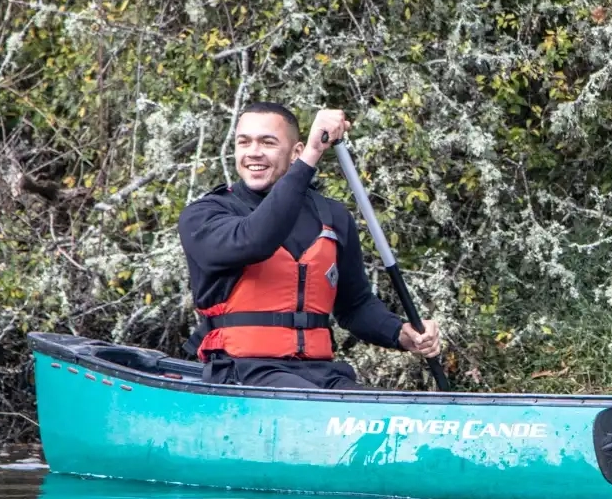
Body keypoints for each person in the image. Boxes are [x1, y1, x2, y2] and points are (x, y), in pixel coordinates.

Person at [178, 102, 441, 388]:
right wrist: (314, 155)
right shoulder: (205, 214)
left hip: (320, 373)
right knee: (321, 407)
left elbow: (355, 305)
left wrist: (400, 332)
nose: (254, 152)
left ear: (295, 153)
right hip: (241, 371)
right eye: (244, 142)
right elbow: (254, 240)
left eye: (268, 142)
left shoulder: (332, 217)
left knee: (371, 413)